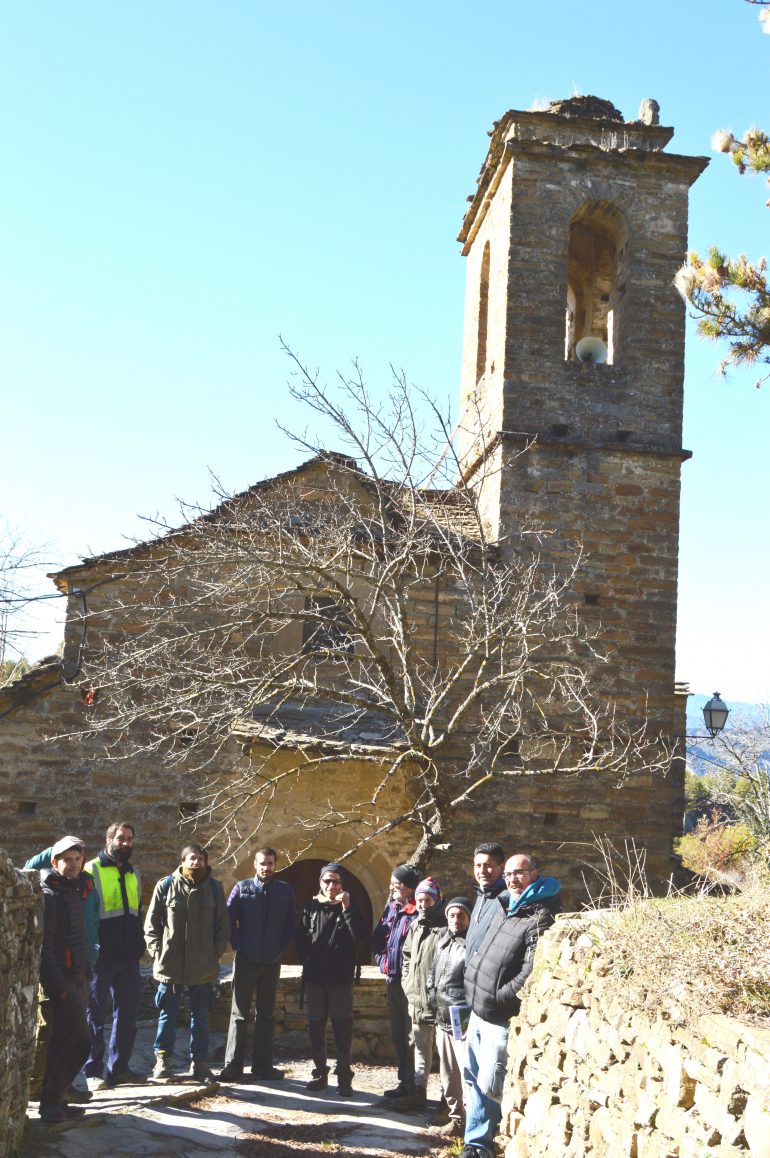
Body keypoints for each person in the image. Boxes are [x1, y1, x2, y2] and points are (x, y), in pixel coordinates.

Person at [460, 854, 561, 1158]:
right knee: (474, 1080)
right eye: (508, 875)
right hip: (477, 1011)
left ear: (534, 873)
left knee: (491, 1085)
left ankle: (486, 1145)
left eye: (519, 873)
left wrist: (497, 996)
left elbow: (529, 972)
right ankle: (473, 1142)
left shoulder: (539, 914)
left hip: (497, 1016)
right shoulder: (505, 905)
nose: (513, 879)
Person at [144, 844, 229, 1083]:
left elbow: (223, 925)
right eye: (192, 858)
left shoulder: (214, 888)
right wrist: (156, 951)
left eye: (200, 859)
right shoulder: (166, 885)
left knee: (200, 1016)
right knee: (166, 1014)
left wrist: (215, 952)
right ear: (182, 861)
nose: (196, 863)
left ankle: (199, 1064)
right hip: (170, 964)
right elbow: (151, 924)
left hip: (203, 965)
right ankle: (163, 1060)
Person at [24, 840, 99, 1104]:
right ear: (54, 862)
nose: (73, 864)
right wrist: (61, 986)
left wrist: (86, 971)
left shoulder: (74, 890)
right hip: (62, 982)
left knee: (62, 1043)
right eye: (67, 859)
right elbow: (47, 948)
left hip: (78, 977)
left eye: (77, 859)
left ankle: (53, 1103)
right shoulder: (51, 895)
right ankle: (52, 1098)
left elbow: (80, 936)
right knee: (79, 1042)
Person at [219, 846, 296, 1083]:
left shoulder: (286, 891)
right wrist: (239, 945)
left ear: (276, 865)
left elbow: (291, 923)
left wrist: (280, 948)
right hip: (246, 960)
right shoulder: (242, 889)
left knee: (266, 1015)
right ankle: (232, 1066)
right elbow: (228, 919)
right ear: (255, 864)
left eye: (270, 863)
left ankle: (263, 1066)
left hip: (271, 962)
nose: (266, 867)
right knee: (239, 1015)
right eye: (262, 863)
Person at [83, 821, 146, 1090]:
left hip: (128, 956)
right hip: (101, 957)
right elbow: (85, 916)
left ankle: (119, 1069)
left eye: (130, 839)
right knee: (94, 1015)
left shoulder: (134, 873)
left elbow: (136, 913)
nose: (126, 843)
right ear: (108, 839)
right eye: (121, 838)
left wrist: (139, 944)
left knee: (127, 1015)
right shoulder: (91, 870)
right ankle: (93, 1071)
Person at [295, 862, 366, 1097]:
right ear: (320, 883)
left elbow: (360, 935)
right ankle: (320, 1073)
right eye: (326, 881)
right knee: (316, 1026)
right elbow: (301, 939)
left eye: (335, 881)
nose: (331, 886)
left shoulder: (350, 906)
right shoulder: (312, 907)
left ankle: (344, 1077)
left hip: (341, 979)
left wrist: (347, 909)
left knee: (342, 1028)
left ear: (341, 883)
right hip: (316, 978)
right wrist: (310, 961)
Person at [392, 876, 445, 1113]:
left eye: (428, 900)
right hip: (417, 1000)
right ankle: (418, 1094)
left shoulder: (445, 927)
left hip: (441, 1002)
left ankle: (447, 1100)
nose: (423, 904)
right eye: (420, 900)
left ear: (437, 900)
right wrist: (407, 983)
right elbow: (406, 957)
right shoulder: (415, 926)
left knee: (446, 1055)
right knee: (421, 1051)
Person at [371, 863, 419, 1099]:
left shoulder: (419, 911)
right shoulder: (392, 908)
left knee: (412, 1035)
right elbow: (378, 939)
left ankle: (413, 1087)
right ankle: (404, 1082)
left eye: (396, 884)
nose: (392, 888)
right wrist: (383, 962)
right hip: (393, 979)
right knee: (399, 1033)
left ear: (409, 887)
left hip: (410, 983)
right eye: (391, 883)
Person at [426, 895, 472, 1140]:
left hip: (461, 1016)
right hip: (442, 1015)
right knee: (448, 1072)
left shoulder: (471, 944)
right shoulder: (444, 941)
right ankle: (456, 1119)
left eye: (461, 915)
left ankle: (470, 1124)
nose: (456, 920)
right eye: (452, 915)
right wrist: (431, 993)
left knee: (465, 1073)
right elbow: (434, 972)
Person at [465, 843, 507, 963]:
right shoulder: (482, 895)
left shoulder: (506, 899)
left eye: (487, 865)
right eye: (478, 865)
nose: (482, 871)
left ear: (502, 867)